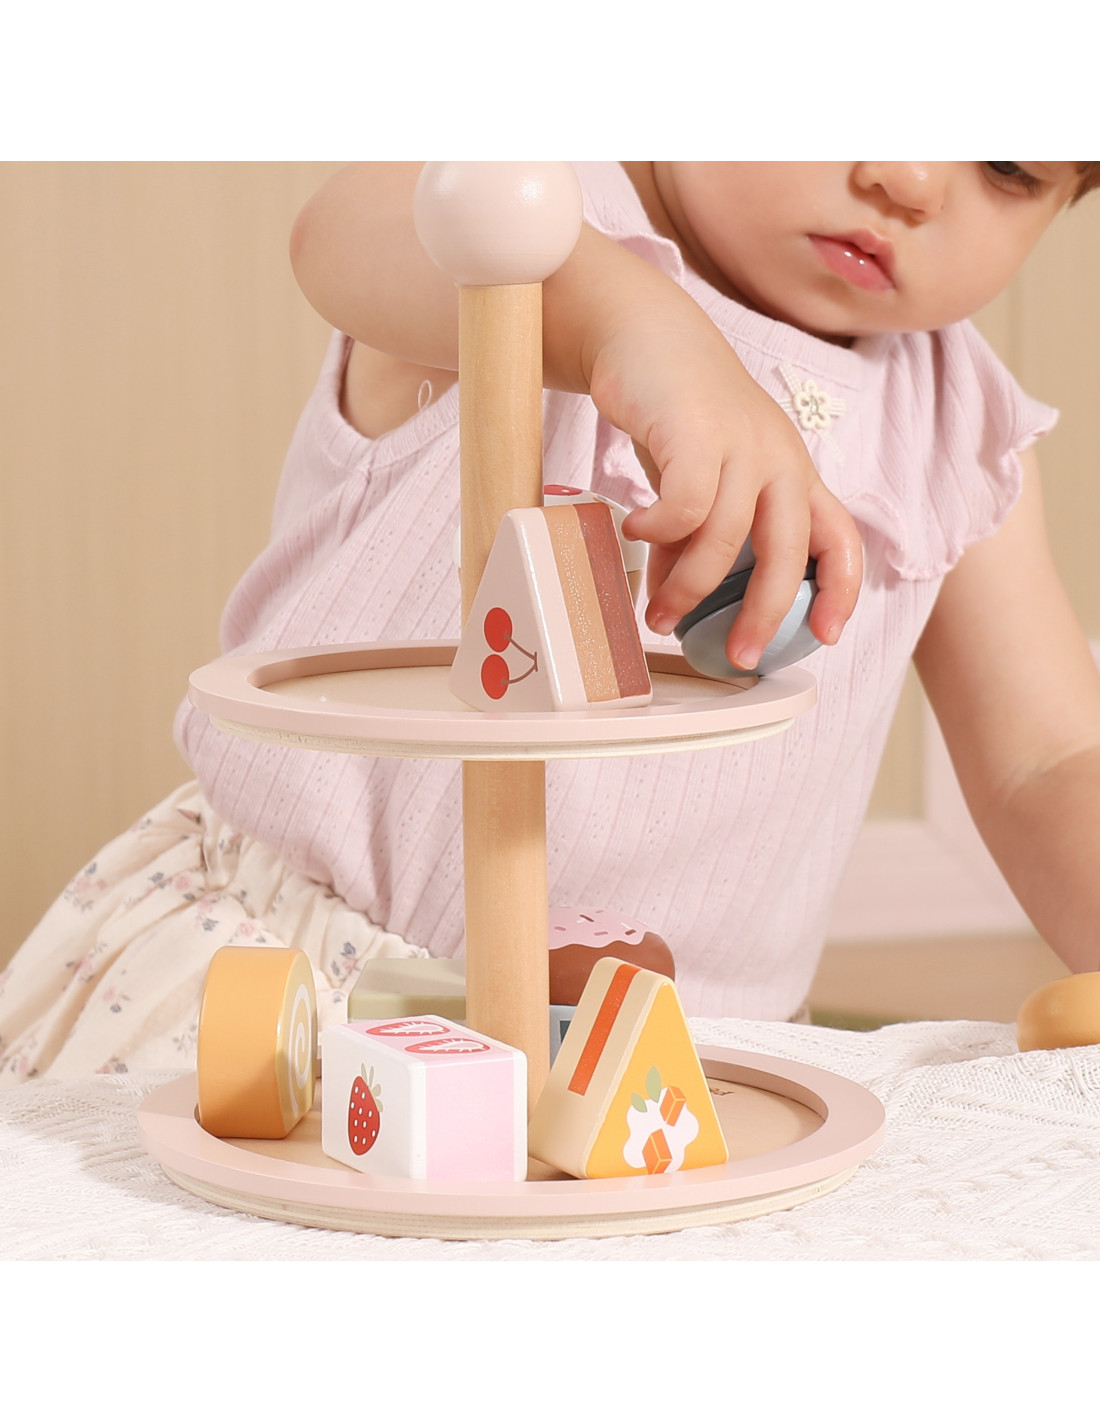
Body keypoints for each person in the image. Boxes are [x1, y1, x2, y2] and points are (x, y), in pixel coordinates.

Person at [2, 161, 1099, 1085]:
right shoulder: (529, 213)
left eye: (1007, 167)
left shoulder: (956, 425)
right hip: (300, 1002)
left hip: (662, 1072)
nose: (906, 178)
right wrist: (626, 321)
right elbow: (335, 232)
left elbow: (1045, 762)